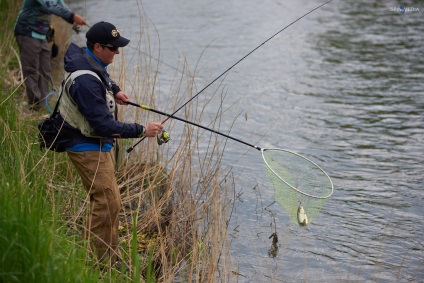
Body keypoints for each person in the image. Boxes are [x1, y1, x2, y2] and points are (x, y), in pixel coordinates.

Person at [55, 21, 164, 267]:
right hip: (86, 146)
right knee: (106, 202)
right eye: (113, 48)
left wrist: (115, 89)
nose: (117, 52)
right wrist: (142, 130)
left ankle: (103, 255)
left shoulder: (91, 60)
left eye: (118, 48)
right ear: (97, 46)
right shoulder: (85, 82)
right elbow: (103, 126)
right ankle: (97, 264)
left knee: (110, 201)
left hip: (96, 143)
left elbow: (102, 76)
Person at [14, 0, 87, 110]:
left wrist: (73, 21)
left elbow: (61, 7)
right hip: (26, 33)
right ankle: (34, 105)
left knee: (45, 70)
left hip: (42, 36)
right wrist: (72, 16)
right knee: (31, 70)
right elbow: (50, 6)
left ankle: (43, 104)